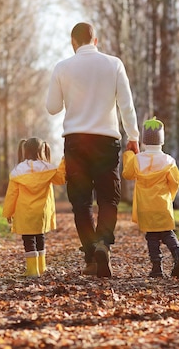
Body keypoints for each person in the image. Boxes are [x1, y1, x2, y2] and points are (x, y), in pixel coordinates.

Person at [46, 22, 140, 278]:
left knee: (81, 202)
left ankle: (90, 258)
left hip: (76, 142)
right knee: (108, 198)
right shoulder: (114, 64)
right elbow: (126, 104)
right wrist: (133, 136)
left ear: (73, 42)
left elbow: (52, 107)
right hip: (106, 140)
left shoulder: (62, 67)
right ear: (95, 41)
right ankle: (103, 244)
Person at [122, 116, 179, 278]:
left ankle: (157, 268)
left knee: (151, 236)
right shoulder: (168, 160)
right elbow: (176, 181)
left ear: (144, 141)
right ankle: (178, 252)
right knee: (167, 232)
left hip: (145, 206)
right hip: (162, 204)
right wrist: (169, 196)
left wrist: (129, 155)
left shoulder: (138, 160)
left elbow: (127, 174)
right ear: (162, 140)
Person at [2, 137, 66, 278]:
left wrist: (8, 212)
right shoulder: (47, 168)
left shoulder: (18, 170)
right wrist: (64, 161)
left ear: (25, 150)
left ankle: (32, 270)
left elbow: (12, 194)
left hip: (24, 211)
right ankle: (42, 267)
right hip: (42, 212)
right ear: (41, 149)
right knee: (40, 236)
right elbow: (61, 179)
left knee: (28, 239)